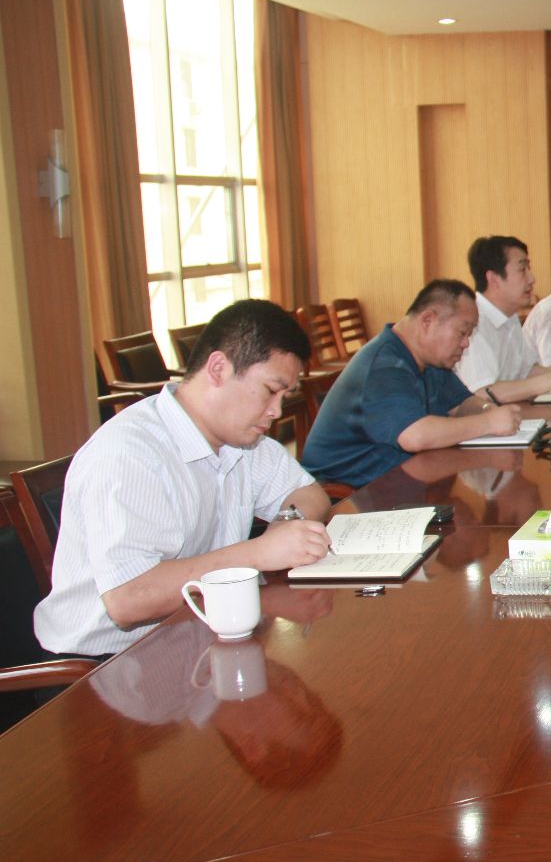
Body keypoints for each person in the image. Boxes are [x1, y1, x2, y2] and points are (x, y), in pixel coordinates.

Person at [34, 300, 333, 657]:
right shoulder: (130, 454)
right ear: (219, 368)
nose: (277, 410)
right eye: (271, 390)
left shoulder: (240, 439)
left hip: (195, 632)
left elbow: (309, 493)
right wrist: (258, 553)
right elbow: (129, 599)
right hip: (107, 664)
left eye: (285, 396)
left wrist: (285, 527)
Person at [302, 279, 526, 488]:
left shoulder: (431, 360)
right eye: (462, 332)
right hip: (350, 496)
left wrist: (488, 410)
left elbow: (462, 404)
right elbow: (415, 436)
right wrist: (489, 423)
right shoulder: (385, 365)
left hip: (399, 482)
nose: (466, 343)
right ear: (428, 320)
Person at [454, 236, 551, 405]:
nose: (532, 279)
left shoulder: (509, 317)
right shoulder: (475, 323)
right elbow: (483, 393)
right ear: (494, 279)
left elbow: (527, 371)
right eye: (522, 269)